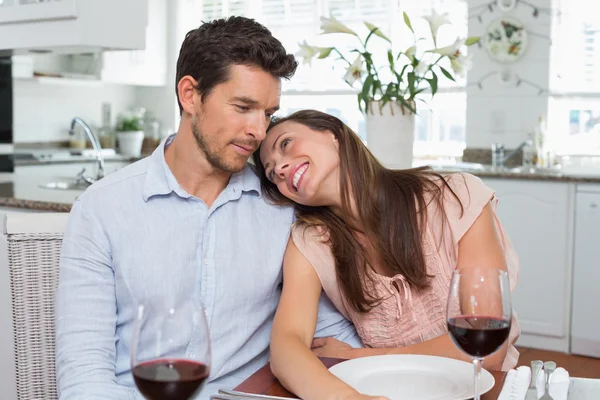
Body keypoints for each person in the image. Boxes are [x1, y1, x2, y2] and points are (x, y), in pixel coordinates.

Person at [55, 18, 361, 400]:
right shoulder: (102, 209)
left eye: (267, 113)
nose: (259, 131)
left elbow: (328, 337)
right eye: (243, 107)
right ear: (190, 95)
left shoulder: (283, 207)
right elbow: (84, 379)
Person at [254, 110, 521, 400]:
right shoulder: (309, 242)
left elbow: (487, 349)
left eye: (285, 144)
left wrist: (360, 357)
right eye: (271, 173)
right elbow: (286, 347)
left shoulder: (455, 196)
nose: (279, 168)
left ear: (333, 134)